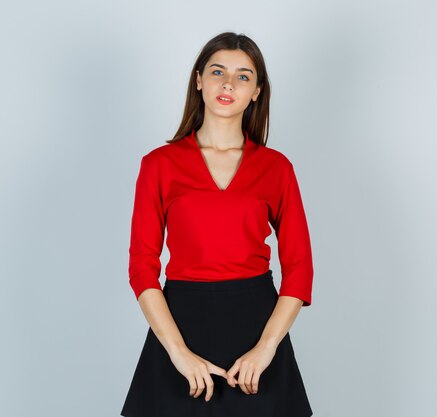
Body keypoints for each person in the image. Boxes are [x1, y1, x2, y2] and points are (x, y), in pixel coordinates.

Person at [120, 31, 314, 417]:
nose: (228, 83)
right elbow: (142, 267)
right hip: (181, 326)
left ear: (257, 91)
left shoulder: (277, 168)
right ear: (198, 80)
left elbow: (299, 269)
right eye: (218, 71)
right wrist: (179, 354)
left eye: (243, 76)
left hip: (256, 330)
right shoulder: (159, 165)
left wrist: (266, 348)